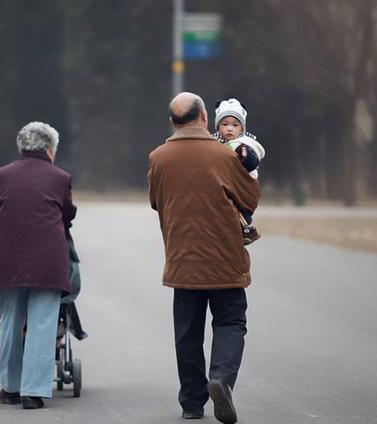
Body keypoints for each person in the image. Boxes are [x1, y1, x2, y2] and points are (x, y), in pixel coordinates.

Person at [148, 92, 261, 424]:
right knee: (230, 322)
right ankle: (221, 380)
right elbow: (250, 200)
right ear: (204, 119)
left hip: (182, 260)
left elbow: (155, 201)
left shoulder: (158, 157)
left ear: (172, 122)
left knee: (188, 332)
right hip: (225, 259)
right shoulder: (224, 155)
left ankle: (192, 404)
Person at [0, 121, 76, 410]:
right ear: (49, 150)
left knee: (10, 321)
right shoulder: (61, 178)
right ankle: (33, 392)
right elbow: (68, 214)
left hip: (8, 262)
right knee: (43, 323)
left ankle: (10, 387)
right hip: (48, 262)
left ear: (21, 147)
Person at [212, 98, 266, 245]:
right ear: (217, 127)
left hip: (242, 182)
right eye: (225, 124)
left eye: (235, 125)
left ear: (241, 128)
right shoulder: (213, 143)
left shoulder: (245, 144)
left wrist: (246, 157)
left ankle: (247, 227)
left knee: (240, 206)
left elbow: (254, 162)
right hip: (223, 181)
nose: (230, 129)